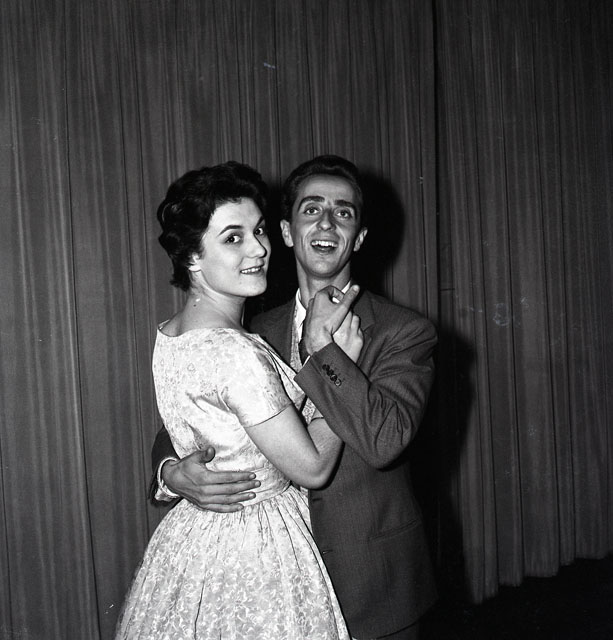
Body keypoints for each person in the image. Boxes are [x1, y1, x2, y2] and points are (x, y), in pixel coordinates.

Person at [151, 155, 438, 639]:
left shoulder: (403, 331)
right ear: (286, 232)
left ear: (359, 238)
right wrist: (171, 473)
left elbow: (384, 442)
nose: (326, 223)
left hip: (369, 585)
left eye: (343, 212)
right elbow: (190, 417)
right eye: (311, 209)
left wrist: (326, 353)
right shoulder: (253, 328)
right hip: (269, 586)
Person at [116, 161, 359, 639]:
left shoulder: (172, 332)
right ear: (192, 257)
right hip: (256, 550)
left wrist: (171, 473)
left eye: (259, 230)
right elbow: (311, 469)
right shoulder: (235, 351)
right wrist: (339, 370)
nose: (259, 249)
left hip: (197, 539)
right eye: (233, 238)